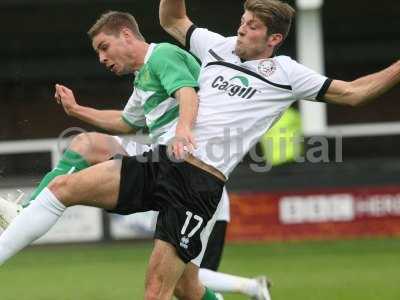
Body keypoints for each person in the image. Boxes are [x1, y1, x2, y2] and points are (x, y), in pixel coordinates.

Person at [1, 0, 399, 298]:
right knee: (61, 189)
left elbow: (356, 93)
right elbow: (172, 18)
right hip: (162, 160)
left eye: (252, 28)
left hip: (198, 183)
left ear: (273, 39)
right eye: (242, 23)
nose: (241, 31)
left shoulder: (288, 74)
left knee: (167, 291)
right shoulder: (217, 47)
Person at [0, 10, 269, 300]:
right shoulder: (144, 77)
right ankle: (25, 211)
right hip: (165, 164)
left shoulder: (163, 55)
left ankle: (26, 212)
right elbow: (126, 122)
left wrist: (182, 130)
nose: (101, 58)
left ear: (126, 35)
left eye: (104, 47)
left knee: (186, 288)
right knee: (185, 288)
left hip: (193, 174)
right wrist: (77, 110)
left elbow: (186, 93)